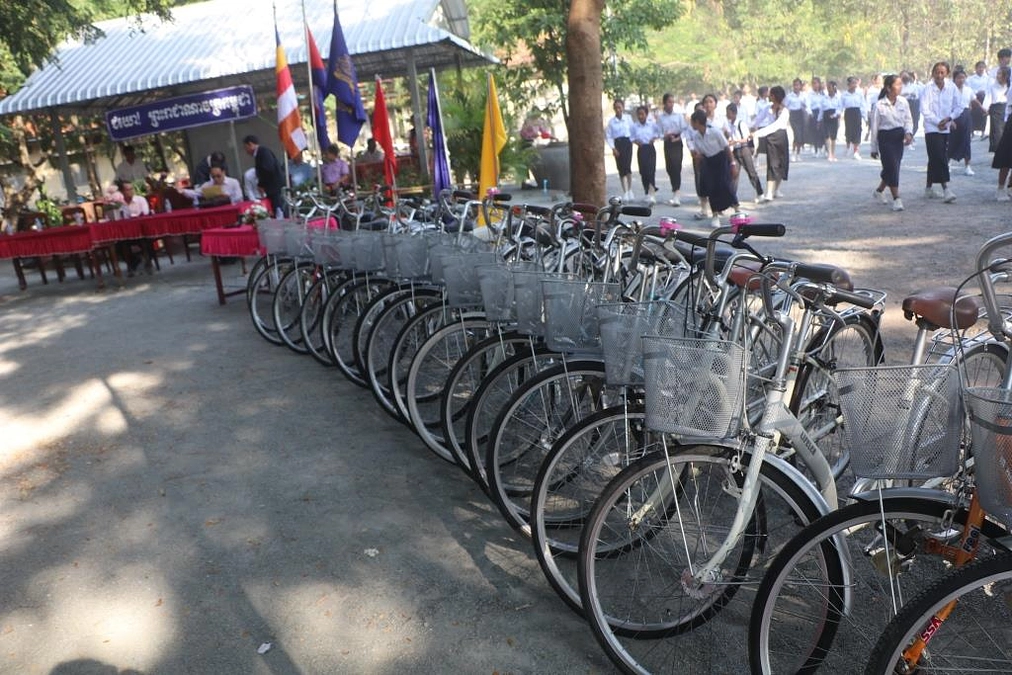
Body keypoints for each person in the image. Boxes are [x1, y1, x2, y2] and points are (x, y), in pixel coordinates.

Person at [870, 74, 914, 212]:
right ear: (888, 88)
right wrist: (873, 148)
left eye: (901, 84)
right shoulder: (879, 105)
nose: (900, 87)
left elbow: (908, 120)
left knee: (893, 167)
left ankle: (879, 190)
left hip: (898, 138)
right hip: (885, 138)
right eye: (897, 84)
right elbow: (874, 128)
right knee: (892, 166)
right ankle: (896, 198)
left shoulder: (903, 102)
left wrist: (908, 133)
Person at [920, 61, 962, 202]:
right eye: (936, 72)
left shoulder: (952, 87)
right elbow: (924, 109)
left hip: (945, 128)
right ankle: (946, 189)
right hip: (932, 128)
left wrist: (949, 118)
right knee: (940, 157)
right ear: (932, 73)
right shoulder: (927, 88)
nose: (939, 75)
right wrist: (938, 122)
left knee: (934, 158)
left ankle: (928, 189)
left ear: (947, 73)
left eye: (942, 72)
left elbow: (959, 106)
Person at [688, 109, 738, 228]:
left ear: (697, 122)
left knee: (725, 185)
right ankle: (715, 215)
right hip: (708, 162)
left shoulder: (715, 132)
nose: (691, 124)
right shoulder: (696, 136)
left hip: (721, 160)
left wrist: (732, 164)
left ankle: (737, 209)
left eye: (692, 122)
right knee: (711, 189)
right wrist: (698, 163)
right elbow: (699, 153)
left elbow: (726, 147)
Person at [751, 85, 791, 203]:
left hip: (781, 136)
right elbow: (758, 119)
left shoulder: (784, 111)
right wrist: (750, 127)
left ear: (775, 96)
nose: (769, 96)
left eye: (771, 94)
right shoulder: (768, 107)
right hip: (771, 138)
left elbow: (776, 126)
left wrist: (758, 133)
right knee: (772, 164)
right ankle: (769, 192)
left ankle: (776, 189)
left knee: (782, 164)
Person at [111, 179, 152, 276]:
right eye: (127, 190)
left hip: (141, 230)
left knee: (148, 240)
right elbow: (116, 218)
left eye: (131, 189)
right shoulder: (118, 204)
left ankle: (147, 262)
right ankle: (133, 263)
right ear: (122, 192)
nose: (130, 191)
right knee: (118, 245)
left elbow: (145, 213)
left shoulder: (140, 200)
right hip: (125, 233)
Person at [725, 103, 764, 202]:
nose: (727, 115)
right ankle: (732, 197)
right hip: (735, 150)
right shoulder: (730, 125)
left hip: (743, 149)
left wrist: (736, 141)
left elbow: (747, 138)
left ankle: (760, 193)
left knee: (751, 172)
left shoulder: (740, 124)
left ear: (733, 113)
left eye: (728, 113)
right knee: (734, 174)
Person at [657, 92, 690, 206]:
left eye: (672, 102)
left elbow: (685, 129)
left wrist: (679, 138)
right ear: (664, 103)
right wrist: (665, 136)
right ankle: (674, 188)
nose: (671, 104)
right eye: (669, 102)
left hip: (677, 142)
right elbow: (658, 132)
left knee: (676, 166)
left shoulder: (678, 116)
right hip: (668, 142)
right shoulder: (661, 117)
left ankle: (677, 193)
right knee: (670, 167)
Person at [243, 134, 285, 217]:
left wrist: (261, 184)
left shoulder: (263, 152)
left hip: (274, 187)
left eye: (246, 148)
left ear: (250, 144)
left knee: (278, 209)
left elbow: (267, 169)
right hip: (270, 188)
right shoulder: (260, 153)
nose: (246, 151)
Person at [605, 98, 635, 200]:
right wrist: (613, 148)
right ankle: (625, 191)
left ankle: (630, 189)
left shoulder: (628, 118)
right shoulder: (612, 122)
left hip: (627, 143)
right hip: (618, 144)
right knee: (621, 168)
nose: (618, 109)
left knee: (627, 167)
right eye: (616, 108)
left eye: (619, 107)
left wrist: (632, 140)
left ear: (623, 107)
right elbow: (609, 136)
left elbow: (632, 130)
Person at [630, 104, 660, 203]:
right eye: (639, 114)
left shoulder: (652, 124)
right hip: (641, 149)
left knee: (651, 170)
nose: (640, 116)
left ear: (646, 115)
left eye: (642, 114)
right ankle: (646, 191)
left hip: (650, 148)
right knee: (643, 171)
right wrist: (636, 142)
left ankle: (652, 193)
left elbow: (658, 133)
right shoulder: (634, 126)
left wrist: (654, 138)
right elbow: (631, 137)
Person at [948, 67, 974, 175]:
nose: (961, 80)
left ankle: (967, 166)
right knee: (951, 140)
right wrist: (950, 120)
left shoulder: (968, 90)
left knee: (966, 141)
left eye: (963, 77)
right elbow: (947, 106)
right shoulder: (949, 90)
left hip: (966, 116)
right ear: (954, 79)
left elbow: (972, 102)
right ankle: (948, 164)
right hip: (953, 117)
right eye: (959, 78)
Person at [841, 76, 867, 159]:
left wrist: (865, 117)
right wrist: (838, 114)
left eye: (855, 83)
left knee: (857, 131)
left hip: (857, 112)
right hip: (848, 112)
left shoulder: (859, 93)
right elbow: (841, 105)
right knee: (849, 130)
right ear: (848, 84)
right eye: (853, 83)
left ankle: (856, 151)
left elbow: (863, 105)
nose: (854, 85)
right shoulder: (844, 94)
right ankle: (848, 147)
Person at [986, 66, 1010, 152]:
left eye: (1000, 73)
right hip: (996, 110)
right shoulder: (993, 86)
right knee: (997, 132)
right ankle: (998, 151)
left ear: (1006, 76)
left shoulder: (1009, 87)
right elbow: (988, 98)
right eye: (997, 73)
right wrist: (985, 108)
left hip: (1007, 109)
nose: (998, 76)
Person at [785, 78, 808, 161]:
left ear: (800, 86)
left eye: (798, 85)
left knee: (800, 135)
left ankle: (798, 153)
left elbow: (807, 105)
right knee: (796, 133)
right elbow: (785, 106)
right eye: (795, 85)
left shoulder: (803, 95)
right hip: (793, 115)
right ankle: (793, 153)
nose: (796, 87)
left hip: (801, 114)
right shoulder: (789, 96)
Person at [967, 60, 990, 140]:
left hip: (984, 98)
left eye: (983, 67)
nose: (981, 69)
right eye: (979, 67)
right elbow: (969, 88)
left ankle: (983, 132)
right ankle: (972, 132)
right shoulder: (970, 79)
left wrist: (984, 92)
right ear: (976, 68)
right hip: (974, 98)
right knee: (973, 115)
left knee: (983, 114)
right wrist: (977, 92)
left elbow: (989, 89)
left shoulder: (988, 78)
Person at [822, 80, 842, 161]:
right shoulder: (824, 98)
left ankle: (833, 154)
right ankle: (829, 154)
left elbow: (840, 108)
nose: (828, 89)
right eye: (827, 87)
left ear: (834, 88)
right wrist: (819, 119)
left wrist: (835, 115)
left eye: (830, 87)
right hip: (826, 116)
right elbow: (821, 109)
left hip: (834, 117)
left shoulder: (838, 98)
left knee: (833, 137)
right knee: (827, 136)